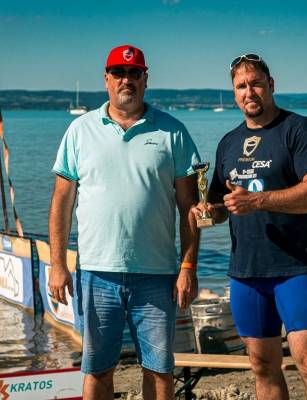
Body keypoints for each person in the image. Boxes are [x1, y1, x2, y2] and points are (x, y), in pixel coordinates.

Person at [48, 44, 200, 400]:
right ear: (106, 79)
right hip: (96, 272)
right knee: (98, 370)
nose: (126, 80)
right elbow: (61, 203)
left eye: (134, 73)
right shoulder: (80, 130)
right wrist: (57, 264)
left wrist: (188, 266)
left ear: (145, 79)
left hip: (157, 274)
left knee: (159, 371)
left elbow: (190, 208)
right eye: (118, 72)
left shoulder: (173, 132)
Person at [192, 53, 307, 400]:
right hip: (246, 274)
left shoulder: (300, 130)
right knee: (263, 368)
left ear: (270, 85)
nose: (249, 92)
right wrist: (206, 212)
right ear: (234, 93)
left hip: (295, 269)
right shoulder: (229, 142)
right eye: (241, 86)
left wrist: (258, 200)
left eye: (256, 83)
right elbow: (222, 206)